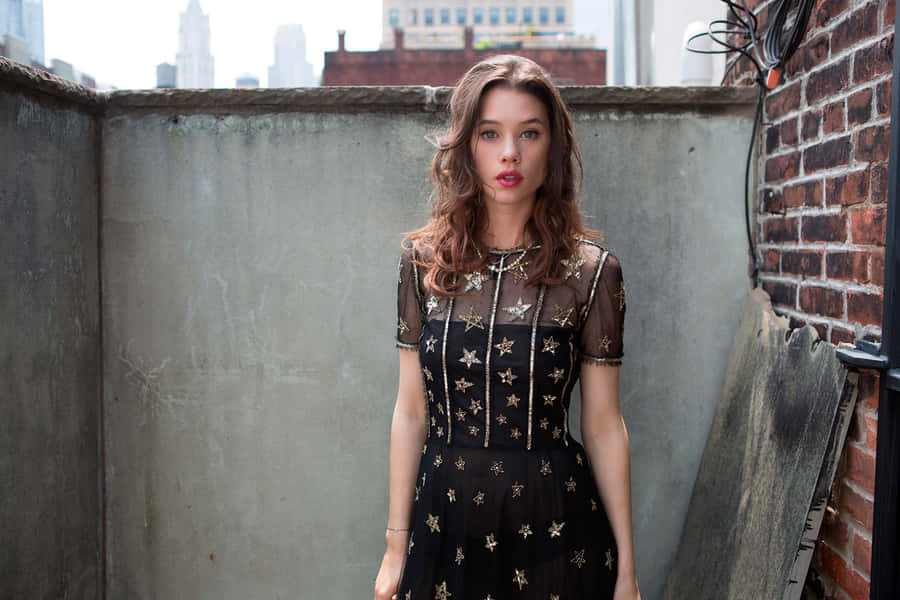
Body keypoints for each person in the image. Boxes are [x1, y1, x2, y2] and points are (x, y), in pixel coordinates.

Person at [374, 54, 640, 600]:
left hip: (556, 530)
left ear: (553, 149)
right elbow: (410, 410)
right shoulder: (422, 262)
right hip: (441, 525)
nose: (510, 153)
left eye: (530, 133)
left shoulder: (591, 273)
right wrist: (395, 546)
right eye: (490, 133)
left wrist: (628, 573)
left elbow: (604, 425)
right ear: (467, 146)